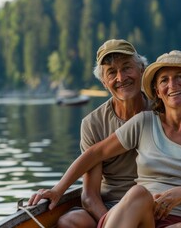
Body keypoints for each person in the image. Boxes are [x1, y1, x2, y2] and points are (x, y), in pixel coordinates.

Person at [28, 50, 181, 228]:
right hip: (142, 214)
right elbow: (95, 153)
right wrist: (57, 190)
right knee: (137, 193)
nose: (172, 84)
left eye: (180, 76)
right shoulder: (144, 122)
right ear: (157, 92)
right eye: (164, 80)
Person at [59, 39, 149, 228]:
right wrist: (113, 221)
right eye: (111, 72)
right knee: (69, 222)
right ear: (103, 82)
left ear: (142, 69)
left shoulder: (162, 111)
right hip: (110, 208)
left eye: (126, 68)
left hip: (153, 204)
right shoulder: (92, 124)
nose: (121, 77)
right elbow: (90, 196)